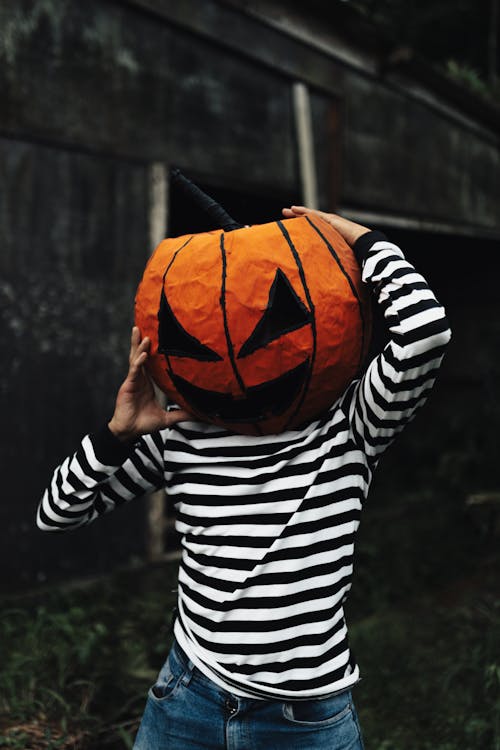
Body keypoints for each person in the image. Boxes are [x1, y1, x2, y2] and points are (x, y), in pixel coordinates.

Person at [37, 206, 451, 750]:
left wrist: (359, 239)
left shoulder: (350, 427)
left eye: (273, 327)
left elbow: (426, 332)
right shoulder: (180, 436)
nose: (232, 356)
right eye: (196, 339)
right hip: (189, 694)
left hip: (306, 719)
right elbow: (57, 512)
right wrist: (118, 435)